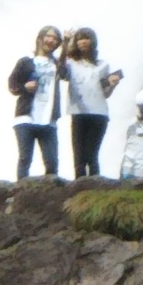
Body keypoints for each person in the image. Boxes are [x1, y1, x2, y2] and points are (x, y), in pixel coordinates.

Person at [61, 30, 115, 181]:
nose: (83, 42)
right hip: (78, 112)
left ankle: (94, 189)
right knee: (79, 155)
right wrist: (65, 43)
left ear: (93, 41)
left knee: (92, 154)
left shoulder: (103, 65)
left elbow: (106, 93)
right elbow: (61, 71)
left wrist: (113, 85)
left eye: (87, 38)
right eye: (79, 39)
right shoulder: (71, 64)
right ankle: (79, 188)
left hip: (99, 113)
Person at [11, 29, 60, 180]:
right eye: (48, 36)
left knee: (52, 162)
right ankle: (20, 195)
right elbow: (12, 84)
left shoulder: (57, 64)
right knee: (25, 159)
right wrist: (24, 87)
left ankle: (51, 196)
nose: (51, 40)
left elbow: (66, 71)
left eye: (56, 38)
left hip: (48, 118)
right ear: (40, 38)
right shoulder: (26, 62)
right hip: (26, 118)